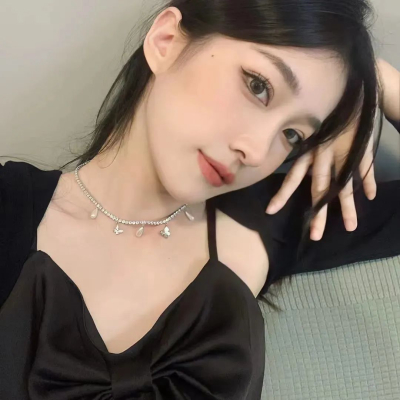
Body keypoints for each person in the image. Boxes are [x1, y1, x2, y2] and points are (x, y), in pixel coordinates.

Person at [0, 0, 398, 398]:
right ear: (166, 40)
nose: (257, 152)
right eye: (258, 86)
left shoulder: (270, 217)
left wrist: (376, 80)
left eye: (293, 135)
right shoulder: (10, 202)